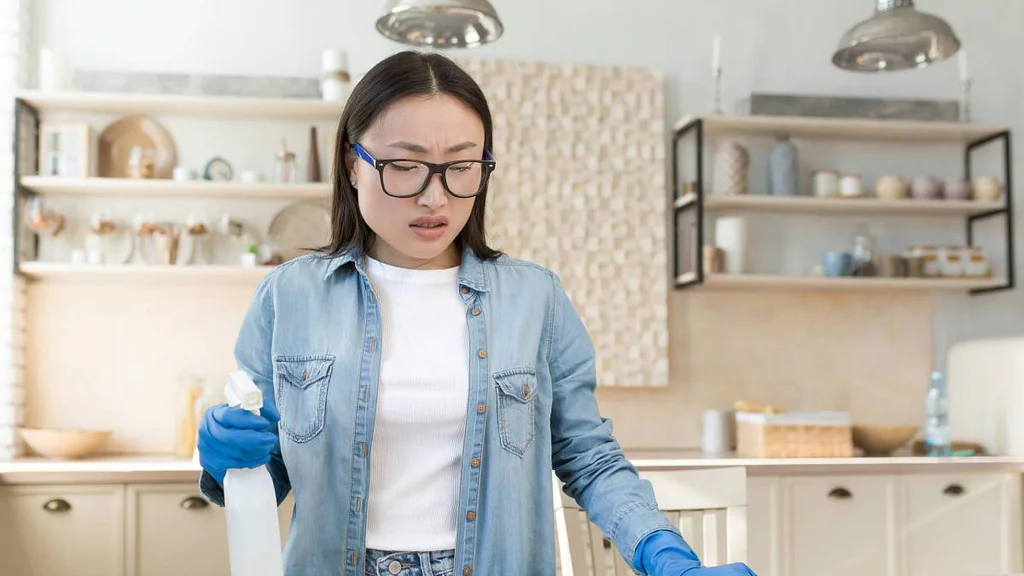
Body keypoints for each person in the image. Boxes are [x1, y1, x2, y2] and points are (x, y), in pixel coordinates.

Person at [196, 50, 756, 576]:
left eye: (461, 166)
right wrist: (230, 463)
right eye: (404, 165)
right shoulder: (288, 297)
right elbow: (263, 482)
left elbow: (588, 458)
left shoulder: (534, 299)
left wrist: (663, 552)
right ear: (352, 164)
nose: (435, 197)